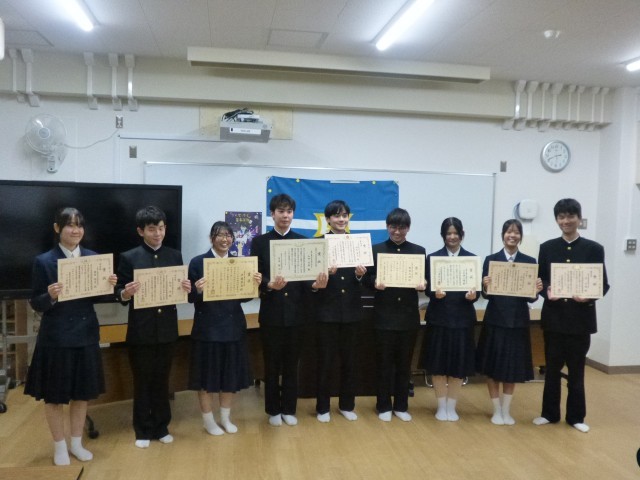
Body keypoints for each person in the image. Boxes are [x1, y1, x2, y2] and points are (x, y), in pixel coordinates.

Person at [24, 207, 117, 466]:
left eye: (79, 225)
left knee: (82, 393)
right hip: (56, 337)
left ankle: (76, 443)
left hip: (86, 334)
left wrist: (109, 285)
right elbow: (36, 302)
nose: (76, 230)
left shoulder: (93, 258)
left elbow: (99, 297)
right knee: (54, 396)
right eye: (70, 225)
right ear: (57, 228)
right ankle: (60, 446)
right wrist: (50, 296)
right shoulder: (44, 261)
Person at [115, 205, 191, 448]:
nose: (157, 233)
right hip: (141, 330)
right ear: (141, 231)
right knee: (142, 381)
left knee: (162, 380)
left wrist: (186, 288)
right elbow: (119, 293)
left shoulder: (174, 255)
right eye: (151, 229)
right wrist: (126, 293)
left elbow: (181, 290)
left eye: (161, 228)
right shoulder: (129, 257)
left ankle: (162, 426)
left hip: (167, 329)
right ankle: (142, 429)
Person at [250, 193, 328, 427]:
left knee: (292, 365)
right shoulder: (260, 242)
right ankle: (273, 409)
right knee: (272, 364)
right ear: (272, 214)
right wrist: (268, 285)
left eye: (289, 211)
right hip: (272, 313)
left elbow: (307, 279)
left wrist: (315, 286)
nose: (285, 215)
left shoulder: (302, 241)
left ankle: (289, 409)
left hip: (297, 314)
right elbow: (254, 275)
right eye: (281, 211)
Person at [533, 198, 609, 433]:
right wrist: (547, 290)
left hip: (580, 321)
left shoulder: (593, 249)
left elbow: (602, 284)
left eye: (570, 216)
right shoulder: (547, 247)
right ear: (557, 220)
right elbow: (541, 279)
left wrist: (588, 296)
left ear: (579, 218)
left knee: (577, 371)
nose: (566, 221)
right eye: (561, 217)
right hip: (554, 319)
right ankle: (549, 413)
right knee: (552, 370)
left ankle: (576, 416)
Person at [187, 221, 261, 435]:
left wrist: (254, 285)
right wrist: (197, 290)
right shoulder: (198, 262)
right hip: (207, 328)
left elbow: (244, 297)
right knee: (206, 378)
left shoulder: (239, 263)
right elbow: (189, 297)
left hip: (233, 327)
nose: (225, 239)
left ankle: (226, 418)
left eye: (228, 235)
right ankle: (208, 421)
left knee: (230, 376)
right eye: (220, 235)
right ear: (212, 238)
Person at [476, 219, 543, 425]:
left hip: (517, 322)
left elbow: (531, 298)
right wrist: (485, 285)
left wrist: (536, 290)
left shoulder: (529, 262)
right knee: (492, 367)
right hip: (495, 320)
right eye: (508, 232)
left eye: (516, 232)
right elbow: (486, 295)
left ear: (520, 237)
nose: (512, 236)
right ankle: (496, 410)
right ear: (502, 235)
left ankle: (506, 410)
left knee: (511, 368)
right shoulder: (491, 260)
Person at [364, 208, 426, 422]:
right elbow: (365, 279)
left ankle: (401, 406)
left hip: (408, 318)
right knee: (383, 364)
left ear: (408, 228)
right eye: (393, 227)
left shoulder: (418, 251)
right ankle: (383, 405)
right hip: (384, 317)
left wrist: (423, 284)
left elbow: (425, 280)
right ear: (387, 226)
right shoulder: (376, 250)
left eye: (401, 227)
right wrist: (374, 282)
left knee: (404, 365)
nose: (397, 232)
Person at [422, 217, 479, 422]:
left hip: (462, 320)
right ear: (443, 235)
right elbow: (427, 289)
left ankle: (452, 406)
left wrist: (473, 296)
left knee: (458, 366)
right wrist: (433, 293)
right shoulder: (433, 258)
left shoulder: (472, 259)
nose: (452, 237)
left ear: (462, 235)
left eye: (455, 233)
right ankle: (441, 406)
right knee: (437, 364)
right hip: (439, 318)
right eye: (448, 233)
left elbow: (477, 292)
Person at [314, 200, 366, 423]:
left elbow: (366, 281)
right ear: (327, 219)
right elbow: (309, 280)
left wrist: (360, 275)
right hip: (327, 313)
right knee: (325, 362)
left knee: (350, 362)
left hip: (352, 313)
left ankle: (347, 405)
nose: (341, 219)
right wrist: (323, 275)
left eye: (344, 215)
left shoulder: (358, 243)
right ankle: (322, 408)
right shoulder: (318, 243)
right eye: (336, 216)